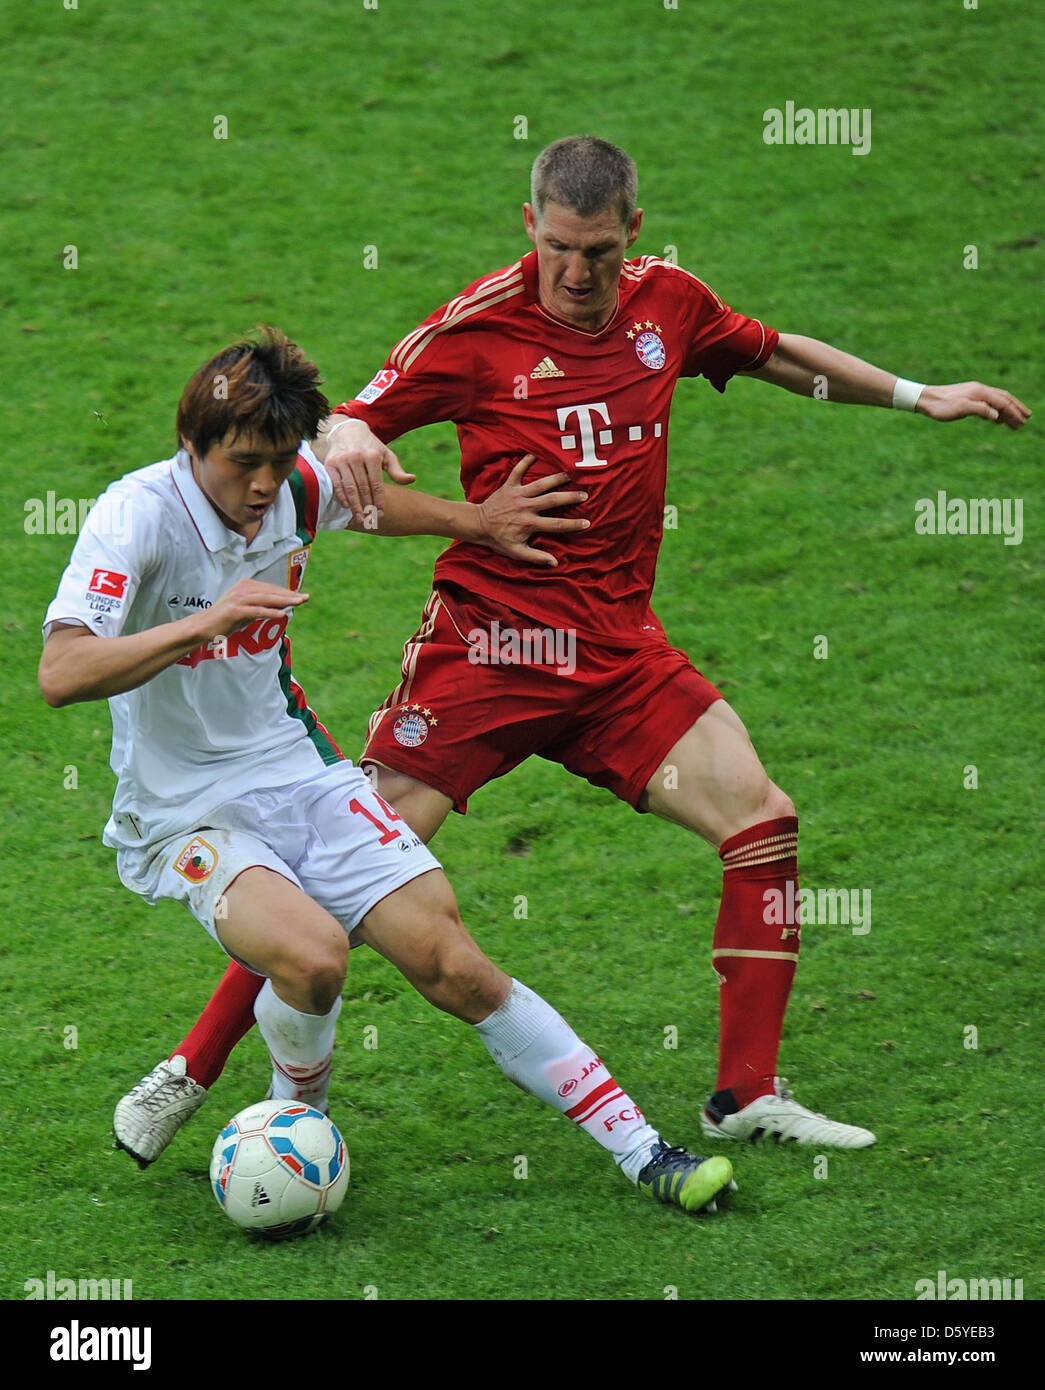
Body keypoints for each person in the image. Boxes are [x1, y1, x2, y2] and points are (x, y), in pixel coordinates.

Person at [115, 136, 1030, 1164]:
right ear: (530, 227)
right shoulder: (475, 329)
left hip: (618, 658)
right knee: (334, 869)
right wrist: (354, 438)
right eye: (558, 247)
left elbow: (771, 353)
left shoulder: (669, 304)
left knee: (762, 820)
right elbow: (351, 422)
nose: (578, 272)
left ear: (631, 233)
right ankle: (188, 1071)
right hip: (486, 654)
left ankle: (746, 1094)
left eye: (598, 250)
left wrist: (919, 394)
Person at [40, 327, 739, 1217]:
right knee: (313, 957)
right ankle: (302, 1119)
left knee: (457, 967)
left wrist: (476, 522)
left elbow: (357, 504)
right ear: (193, 445)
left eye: (279, 461)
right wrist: (200, 624)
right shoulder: (134, 515)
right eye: (243, 463)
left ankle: (646, 1155)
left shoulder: (289, 488)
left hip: (299, 774)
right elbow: (62, 673)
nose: (262, 487)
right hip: (183, 811)